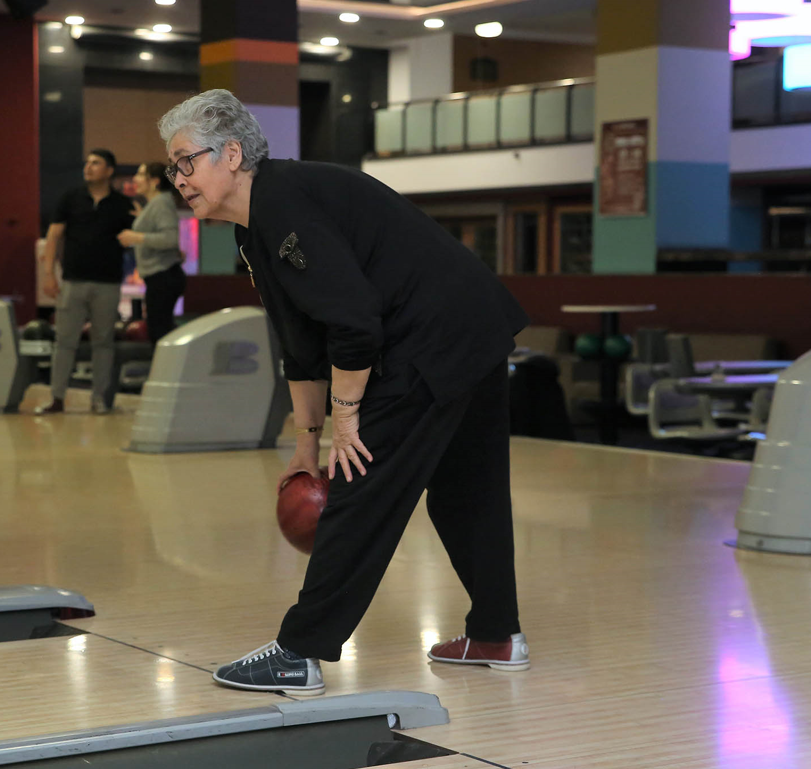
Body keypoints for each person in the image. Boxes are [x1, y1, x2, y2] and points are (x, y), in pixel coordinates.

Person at [157, 90, 531, 697]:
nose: (177, 179)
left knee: (360, 490)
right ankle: (496, 635)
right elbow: (302, 344)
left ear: (230, 154)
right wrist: (307, 442)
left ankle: (299, 653)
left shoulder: (285, 205)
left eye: (184, 162)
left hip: (432, 338)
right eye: (171, 168)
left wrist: (347, 417)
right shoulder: (257, 227)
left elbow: (355, 324)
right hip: (471, 330)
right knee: (467, 492)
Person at [37, 149, 135, 415]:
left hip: (108, 283)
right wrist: (49, 274)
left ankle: (99, 399)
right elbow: (54, 236)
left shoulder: (121, 204)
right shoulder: (71, 198)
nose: (88, 167)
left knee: (103, 342)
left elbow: (136, 235)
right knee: (64, 341)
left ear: (109, 171)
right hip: (73, 280)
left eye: (96, 163)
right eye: (87, 163)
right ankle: (57, 398)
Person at [118, 163, 185, 344]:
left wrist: (136, 236)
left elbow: (170, 239)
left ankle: (166, 371)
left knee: (159, 332)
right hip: (159, 276)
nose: (135, 179)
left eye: (141, 174)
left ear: (154, 181)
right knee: (158, 328)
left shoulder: (161, 202)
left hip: (163, 276)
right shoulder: (154, 204)